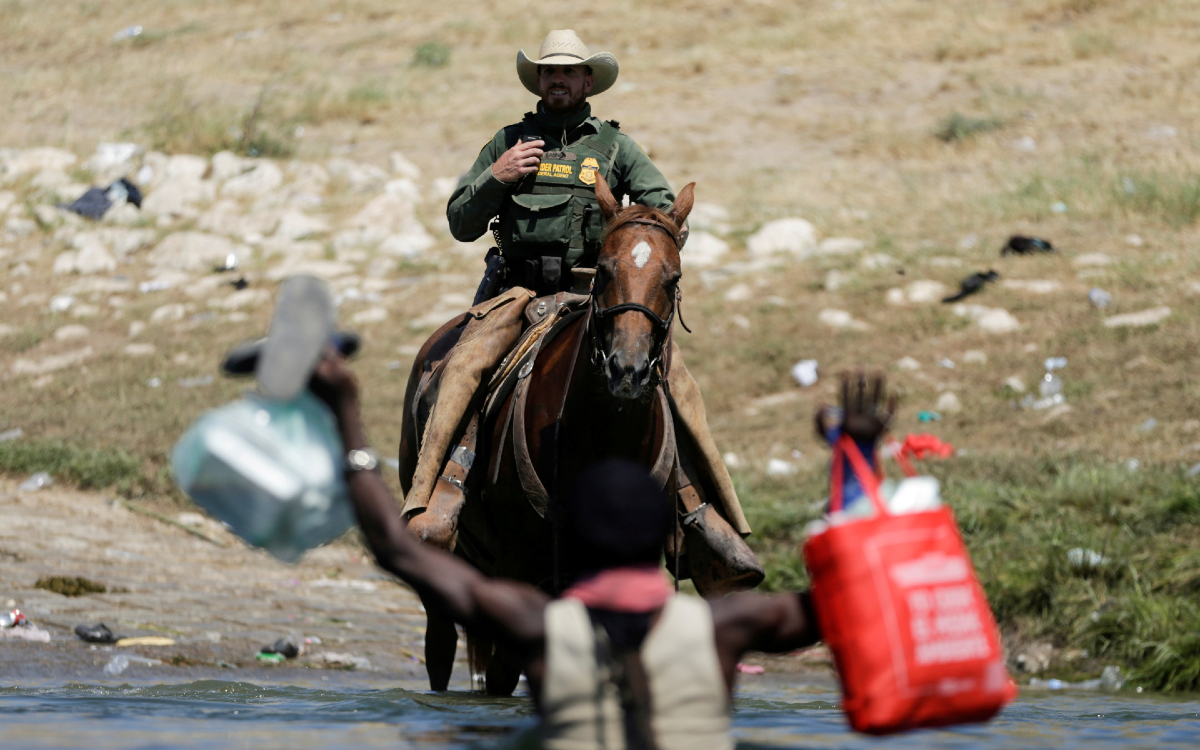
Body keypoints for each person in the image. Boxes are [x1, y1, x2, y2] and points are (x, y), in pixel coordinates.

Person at [311, 350, 871, 750]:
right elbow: (855, 595)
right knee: (465, 363)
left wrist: (343, 411)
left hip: (614, 309)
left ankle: (426, 496)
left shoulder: (539, 625)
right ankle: (700, 515)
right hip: (523, 299)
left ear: (573, 535)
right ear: (659, 538)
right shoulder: (728, 626)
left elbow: (395, 549)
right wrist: (858, 461)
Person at [406, 30, 751, 584]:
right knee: (465, 367)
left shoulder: (616, 148)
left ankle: (706, 516)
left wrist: (630, 229)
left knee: (676, 382)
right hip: (518, 295)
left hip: (595, 297)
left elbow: (664, 214)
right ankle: (435, 498)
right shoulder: (508, 141)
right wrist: (497, 178)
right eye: (548, 72)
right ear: (539, 81)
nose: (558, 79)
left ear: (588, 82)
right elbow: (460, 223)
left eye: (568, 72)